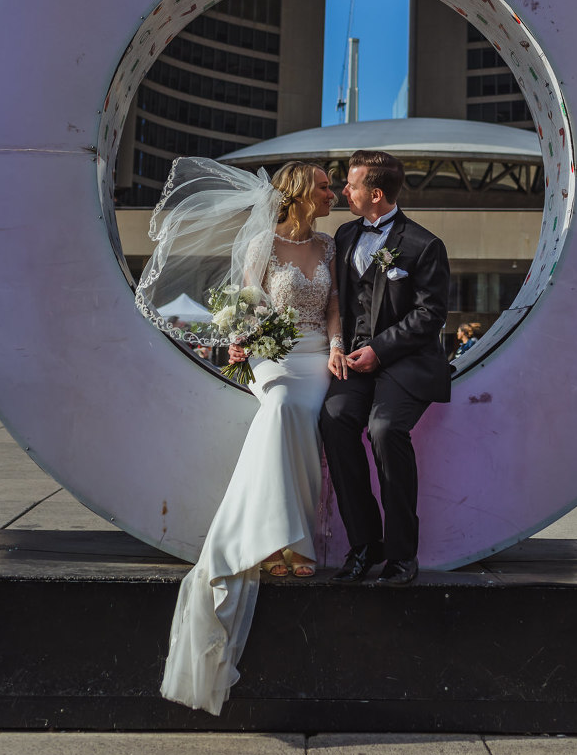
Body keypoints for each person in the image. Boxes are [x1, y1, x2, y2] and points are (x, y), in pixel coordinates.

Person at [145, 159, 340, 715]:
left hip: (317, 358)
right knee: (280, 407)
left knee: (311, 410)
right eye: (325, 187)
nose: (332, 194)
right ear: (301, 193)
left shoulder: (328, 249)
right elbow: (246, 309)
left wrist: (333, 348)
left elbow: (333, 309)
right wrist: (241, 341)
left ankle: (288, 541)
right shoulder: (260, 245)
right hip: (271, 358)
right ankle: (283, 543)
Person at [320, 149, 452, 588]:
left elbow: (430, 315)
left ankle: (401, 555)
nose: (344, 191)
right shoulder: (341, 236)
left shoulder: (424, 245)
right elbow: (336, 300)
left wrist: (379, 349)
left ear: (375, 193)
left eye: (351, 185)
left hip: (404, 364)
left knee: (384, 429)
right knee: (335, 420)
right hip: (354, 364)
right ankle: (363, 545)